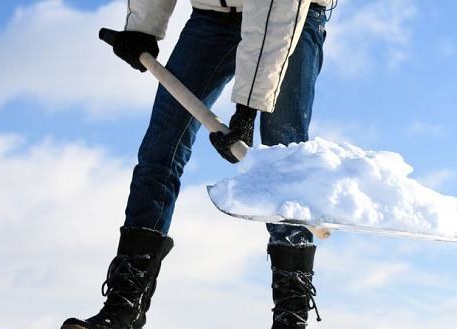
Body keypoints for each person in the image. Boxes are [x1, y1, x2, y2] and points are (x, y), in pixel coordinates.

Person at [62, 0, 330, 328]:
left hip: (291, 19)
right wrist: (142, 28)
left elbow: (276, 9)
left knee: (282, 158)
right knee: (161, 147)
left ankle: (291, 316)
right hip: (213, 16)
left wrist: (247, 107)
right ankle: (123, 307)